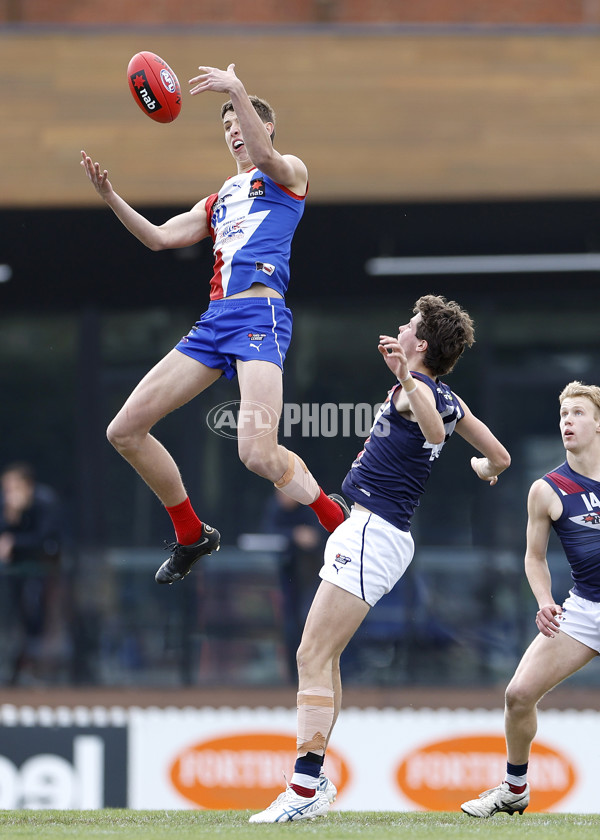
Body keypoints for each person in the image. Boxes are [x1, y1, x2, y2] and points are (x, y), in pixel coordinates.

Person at [80, 63, 348, 585]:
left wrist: (237, 91)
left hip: (260, 314)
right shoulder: (221, 197)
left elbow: (267, 156)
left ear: (263, 126)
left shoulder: (288, 170)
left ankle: (332, 516)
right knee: (124, 430)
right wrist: (110, 197)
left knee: (256, 453)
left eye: (240, 125)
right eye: (225, 130)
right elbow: (159, 238)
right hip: (215, 321)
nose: (234, 136)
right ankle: (191, 533)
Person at [249, 294, 511, 822]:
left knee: (310, 654)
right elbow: (499, 455)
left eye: (410, 324)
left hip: (373, 531)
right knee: (323, 657)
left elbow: (434, 429)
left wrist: (407, 380)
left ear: (422, 343)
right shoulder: (446, 396)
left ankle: (303, 791)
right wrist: (486, 468)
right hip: (369, 530)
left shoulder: (422, 392)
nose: (401, 326)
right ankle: (311, 782)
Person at [461, 380, 600, 818]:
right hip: (584, 610)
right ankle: (515, 789)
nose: (568, 421)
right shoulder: (547, 489)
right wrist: (544, 599)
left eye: (578, 413)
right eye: (563, 415)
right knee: (518, 695)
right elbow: (533, 558)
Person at [0, 462, 63, 684]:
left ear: (26, 485)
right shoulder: (8, 505)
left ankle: (39, 669)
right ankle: (18, 669)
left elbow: (45, 540)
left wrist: (15, 543)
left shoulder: (45, 501)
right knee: (18, 618)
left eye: (12, 487)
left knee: (39, 618)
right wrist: (12, 515)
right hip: (16, 575)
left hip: (46, 573)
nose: (8, 493)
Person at [261, 489, 327, 680]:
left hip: (312, 575)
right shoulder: (274, 507)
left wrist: (309, 538)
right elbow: (267, 532)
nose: (283, 497)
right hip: (283, 578)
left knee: (312, 621)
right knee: (290, 625)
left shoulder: (309, 506)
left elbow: (321, 533)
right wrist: (294, 535)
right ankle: (292, 674)